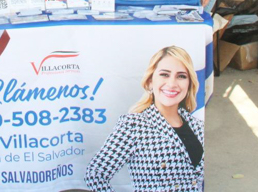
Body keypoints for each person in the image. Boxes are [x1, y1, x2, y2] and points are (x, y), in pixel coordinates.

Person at [85, 46, 204, 192]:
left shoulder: (198, 127)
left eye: (181, 76)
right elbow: (96, 174)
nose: (172, 83)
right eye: (164, 74)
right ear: (149, 82)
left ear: (189, 84)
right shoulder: (134, 126)